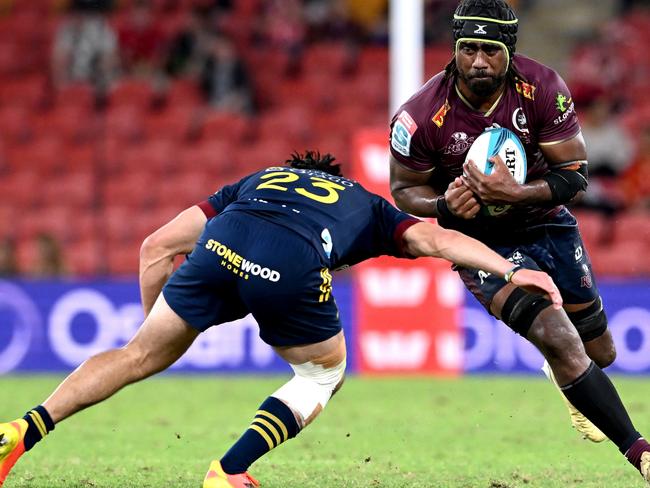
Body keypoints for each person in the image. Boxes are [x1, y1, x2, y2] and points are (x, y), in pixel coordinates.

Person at [0, 151, 562, 488]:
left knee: (133, 355)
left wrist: (159, 330)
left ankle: (20, 429)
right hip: (291, 259)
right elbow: (435, 239)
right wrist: (511, 271)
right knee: (322, 374)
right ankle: (228, 471)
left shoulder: (256, 180)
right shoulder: (367, 206)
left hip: (223, 241)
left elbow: (154, 247)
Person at [388, 0, 650, 483]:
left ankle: (564, 372)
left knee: (602, 354)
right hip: (482, 246)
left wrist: (517, 192)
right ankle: (640, 452)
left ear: (509, 49)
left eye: (490, 49)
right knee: (559, 338)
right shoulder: (421, 115)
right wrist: (444, 207)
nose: (478, 61)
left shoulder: (544, 89)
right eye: (468, 49)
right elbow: (404, 191)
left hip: (548, 223)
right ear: (455, 48)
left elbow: (576, 174)